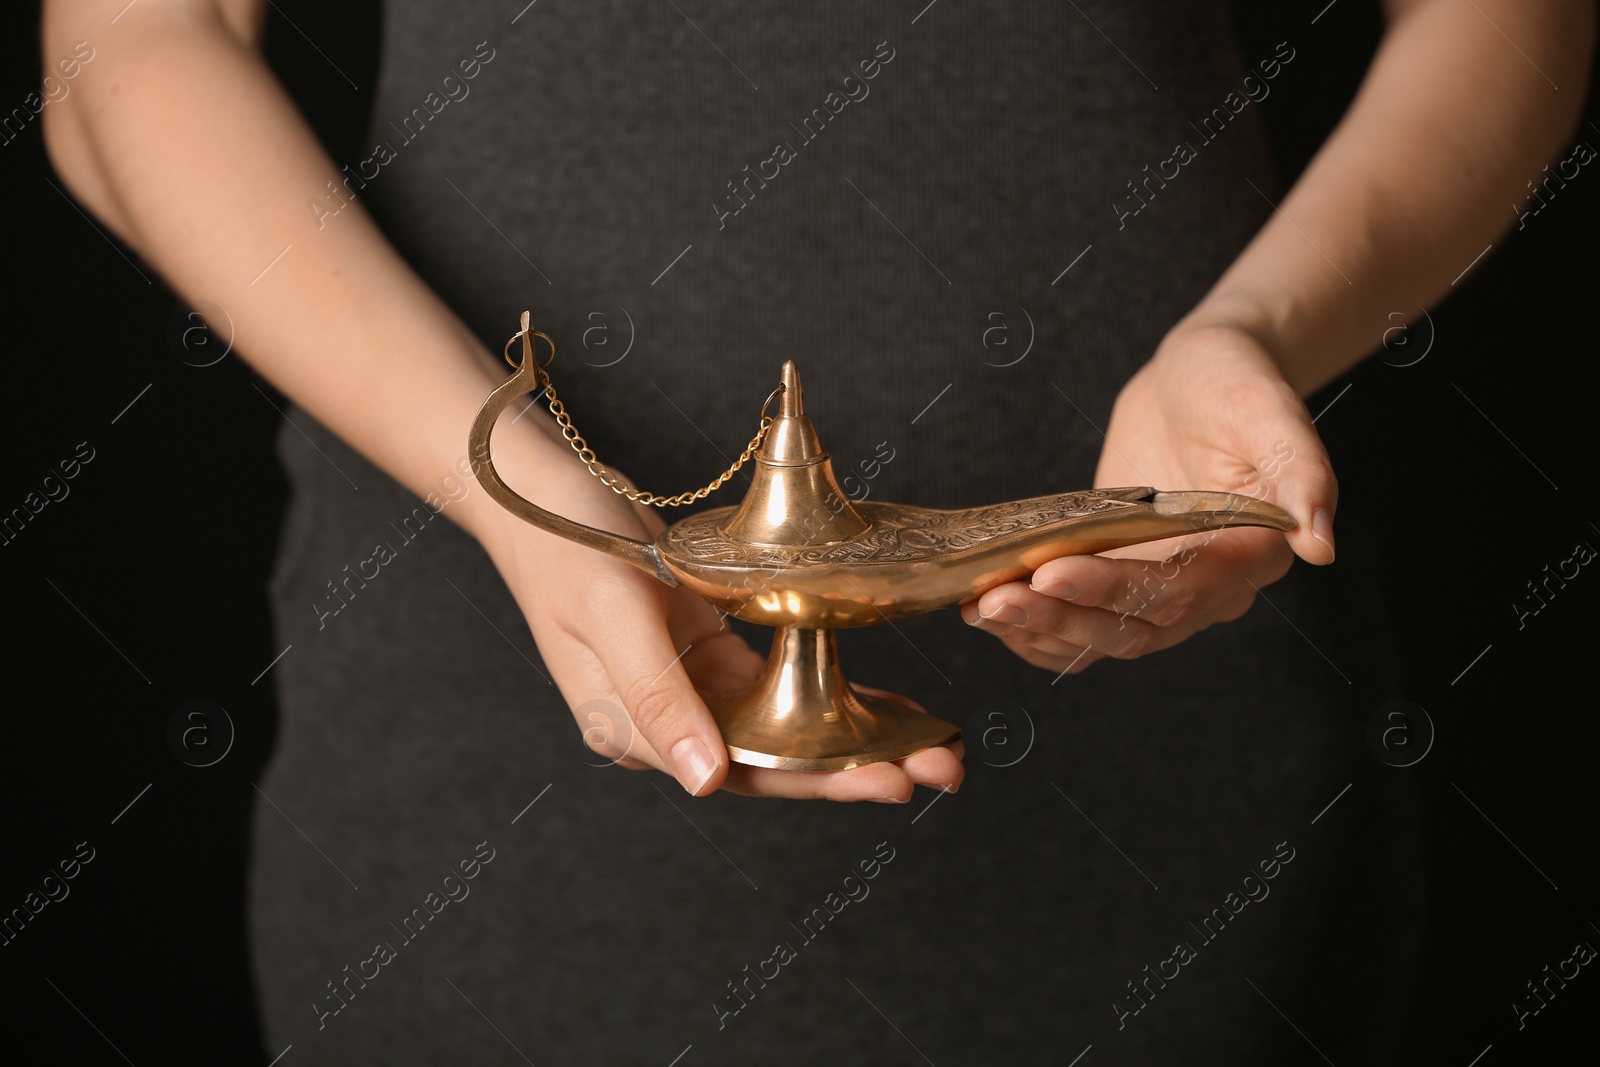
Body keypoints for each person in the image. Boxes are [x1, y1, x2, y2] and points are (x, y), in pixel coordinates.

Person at [43, 0, 1592, 1062]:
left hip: (1179, 761)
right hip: (478, 800)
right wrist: (498, 475)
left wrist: (1261, 330)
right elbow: (131, 44)